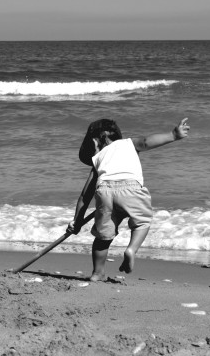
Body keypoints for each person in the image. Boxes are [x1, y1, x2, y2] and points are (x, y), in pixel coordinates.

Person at [67, 117, 190, 281]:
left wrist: (77, 221)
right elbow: (147, 142)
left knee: (103, 236)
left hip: (104, 191)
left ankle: (97, 273)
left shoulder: (98, 158)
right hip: (130, 188)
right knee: (142, 222)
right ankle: (131, 249)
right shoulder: (129, 143)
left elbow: (85, 195)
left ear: (96, 141)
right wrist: (173, 134)